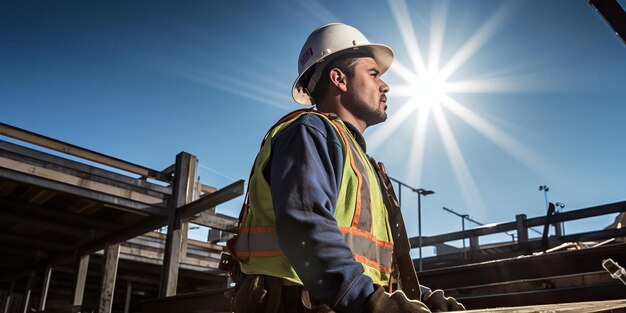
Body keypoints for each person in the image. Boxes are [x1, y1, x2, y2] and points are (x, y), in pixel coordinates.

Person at [227, 23, 465, 313]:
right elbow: (306, 227)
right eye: (373, 73)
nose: (385, 85)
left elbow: (374, 266)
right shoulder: (310, 132)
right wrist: (372, 303)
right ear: (339, 79)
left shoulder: (362, 162)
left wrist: (422, 297)